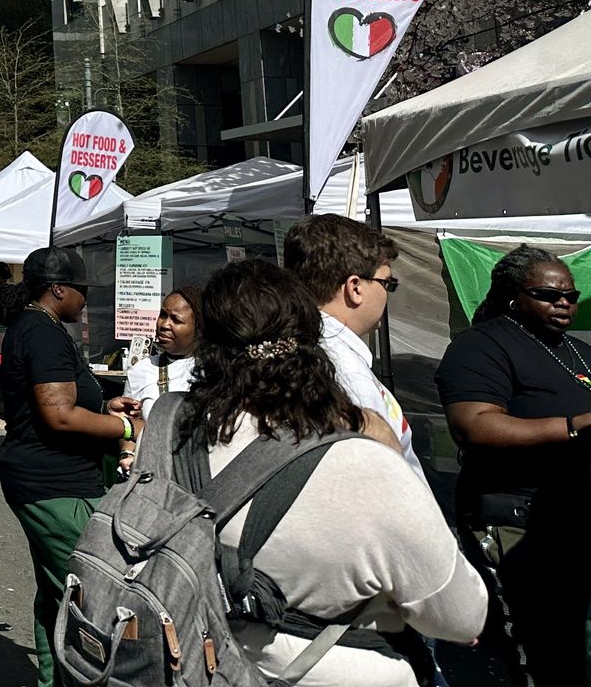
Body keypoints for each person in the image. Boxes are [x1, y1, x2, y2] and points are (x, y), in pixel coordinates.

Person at [178, 258, 487, 685]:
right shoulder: (365, 458)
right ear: (312, 339)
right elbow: (462, 618)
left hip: (200, 660)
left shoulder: (168, 429)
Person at [436, 246, 588, 686]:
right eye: (548, 294)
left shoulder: (576, 352)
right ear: (511, 295)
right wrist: (575, 426)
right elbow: (475, 427)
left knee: (570, 649)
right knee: (537, 650)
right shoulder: (481, 346)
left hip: (573, 515)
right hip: (515, 520)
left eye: (571, 295)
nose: (564, 302)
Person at [0, 247, 138, 687]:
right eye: (81, 291)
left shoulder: (38, 326)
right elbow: (57, 414)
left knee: (57, 592)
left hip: (46, 477)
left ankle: (51, 677)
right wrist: (124, 428)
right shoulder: (43, 333)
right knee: (88, 597)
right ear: (58, 289)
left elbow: (64, 401)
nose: (85, 300)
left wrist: (103, 404)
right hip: (54, 483)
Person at [283, 215, 424, 478]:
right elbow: (378, 479)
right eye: (387, 283)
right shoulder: (346, 374)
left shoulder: (295, 346)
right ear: (355, 287)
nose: (387, 295)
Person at [124, 285, 201, 419]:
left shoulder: (215, 370)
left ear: (199, 327)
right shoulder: (141, 370)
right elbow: (127, 429)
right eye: (163, 315)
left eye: (176, 320)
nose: (164, 325)